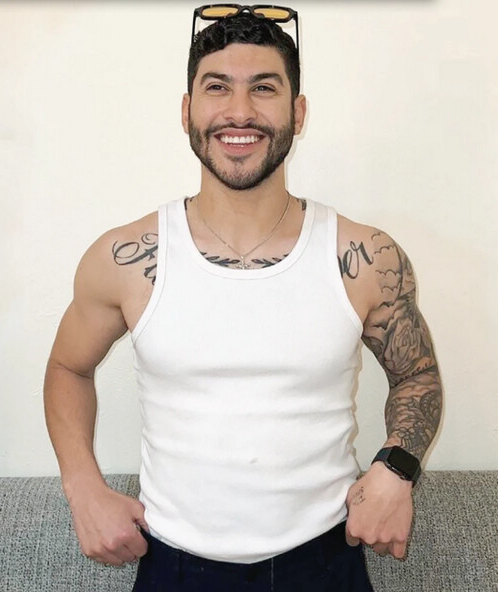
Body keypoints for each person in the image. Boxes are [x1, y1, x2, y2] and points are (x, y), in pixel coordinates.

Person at [44, 5, 442, 591]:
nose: (239, 111)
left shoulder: (365, 257)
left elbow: (418, 375)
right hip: (173, 566)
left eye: (263, 88)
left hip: (325, 561)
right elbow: (67, 368)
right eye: (217, 87)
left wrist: (397, 470)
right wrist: (82, 487)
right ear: (187, 110)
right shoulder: (125, 259)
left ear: (297, 113)